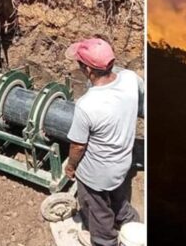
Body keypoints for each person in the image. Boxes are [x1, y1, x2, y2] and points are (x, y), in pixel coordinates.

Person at [64, 38, 141, 246]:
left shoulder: (87, 105)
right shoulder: (131, 79)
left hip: (96, 175)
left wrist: (71, 167)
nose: (78, 67)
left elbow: (78, 146)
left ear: (89, 70)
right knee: (118, 196)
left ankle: (105, 240)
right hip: (122, 163)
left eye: (80, 64)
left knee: (97, 210)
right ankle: (130, 224)